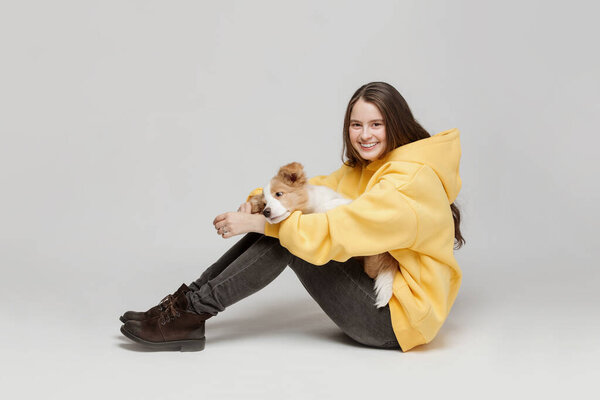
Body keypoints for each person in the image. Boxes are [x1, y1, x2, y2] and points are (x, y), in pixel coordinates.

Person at [119, 81, 465, 352]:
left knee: (288, 234)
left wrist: (263, 222)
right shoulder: (372, 167)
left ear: (397, 125)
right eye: (356, 124)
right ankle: (185, 306)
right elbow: (312, 191)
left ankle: (190, 313)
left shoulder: (409, 181)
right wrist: (258, 202)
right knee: (284, 218)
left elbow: (340, 228)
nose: (364, 135)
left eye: (376, 124)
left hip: (394, 321)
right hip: (379, 294)